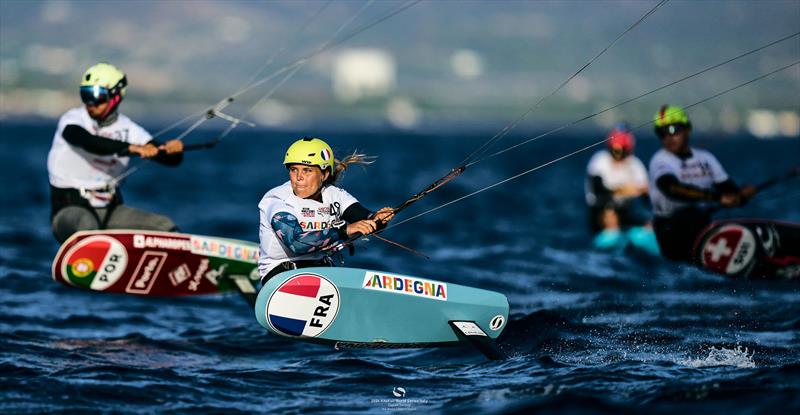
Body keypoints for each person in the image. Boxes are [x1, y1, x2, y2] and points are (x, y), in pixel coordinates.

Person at [47, 62, 185, 243]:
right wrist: (130, 148)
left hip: (110, 211)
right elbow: (88, 141)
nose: (90, 102)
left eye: (96, 95)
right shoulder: (73, 119)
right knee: (88, 228)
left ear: (116, 96)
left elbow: (169, 159)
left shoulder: (130, 129)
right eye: (85, 94)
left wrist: (174, 151)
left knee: (165, 226)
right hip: (69, 210)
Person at [258, 137, 395, 285]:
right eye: (293, 170)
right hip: (280, 277)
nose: (298, 178)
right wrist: (344, 230)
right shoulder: (277, 199)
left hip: (319, 273)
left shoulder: (335, 195)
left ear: (324, 175)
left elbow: (365, 218)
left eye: (307, 170)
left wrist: (379, 219)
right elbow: (296, 243)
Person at [648, 105, 756, 262]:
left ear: (688, 129)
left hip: (701, 224)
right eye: (662, 133)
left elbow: (729, 191)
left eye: (673, 130)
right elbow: (672, 189)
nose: (668, 138)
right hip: (670, 228)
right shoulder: (660, 161)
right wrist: (717, 198)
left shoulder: (706, 158)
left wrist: (742, 195)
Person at [585, 125, 658, 254]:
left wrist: (648, 193)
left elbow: (647, 198)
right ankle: (609, 242)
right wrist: (625, 190)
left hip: (624, 210)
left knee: (650, 225)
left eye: (622, 151)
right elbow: (599, 188)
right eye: (614, 151)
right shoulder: (600, 160)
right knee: (609, 214)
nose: (618, 155)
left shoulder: (635, 165)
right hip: (600, 211)